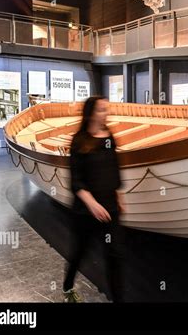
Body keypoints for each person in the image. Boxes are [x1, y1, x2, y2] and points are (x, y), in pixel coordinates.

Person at [63, 96, 124, 303]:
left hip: (109, 208)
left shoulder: (109, 137)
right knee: (80, 252)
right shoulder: (79, 141)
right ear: (90, 113)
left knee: (114, 256)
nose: (105, 113)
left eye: (107, 109)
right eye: (101, 110)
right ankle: (68, 287)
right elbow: (76, 182)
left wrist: (119, 195)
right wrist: (92, 204)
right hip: (85, 211)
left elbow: (114, 169)